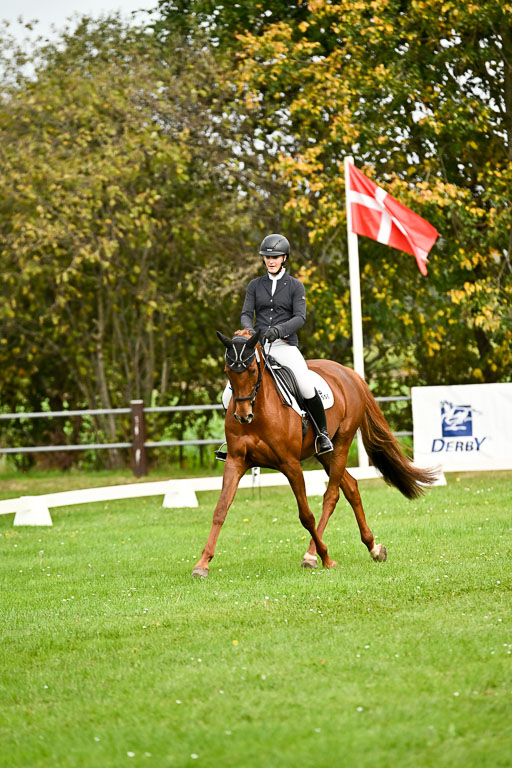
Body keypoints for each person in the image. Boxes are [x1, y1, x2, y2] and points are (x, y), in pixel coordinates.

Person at [240, 233, 333, 455]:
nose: (270, 261)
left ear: (284, 258)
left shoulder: (295, 286)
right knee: (230, 390)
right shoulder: (254, 285)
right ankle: (233, 438)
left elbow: (300, 318)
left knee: (305, 384)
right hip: (258, 346)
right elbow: (246, 314)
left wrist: (278, 330)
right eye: (267, 257)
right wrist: (251, 332)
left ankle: (322, 434)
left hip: (285, 345)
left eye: (276, 257)